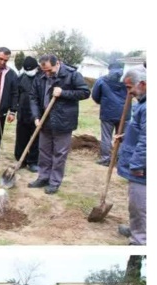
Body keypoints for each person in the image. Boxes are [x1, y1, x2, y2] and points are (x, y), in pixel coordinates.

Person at [27, 54, 91, 194]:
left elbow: (85, 93)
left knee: (59, 153)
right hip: (44, 120)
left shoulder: (72, 75)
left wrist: (64, 93)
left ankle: (54, 181)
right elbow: (33, 97)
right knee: (44, 151)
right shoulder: (41, 76)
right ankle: (43, 177)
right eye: (45, 71)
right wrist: (36, 116)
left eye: (50, 70)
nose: (47, 73)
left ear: (58, 63)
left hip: (63, 121)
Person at [116, 66, 146, 245]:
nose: (129, 93)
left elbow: (148, 140)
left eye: (130, 88)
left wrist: (137, 165)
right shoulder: (143, 103)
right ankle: (137, 229)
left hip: (142, 168)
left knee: (139, 204)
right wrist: (126, 137)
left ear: (142, 84)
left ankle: (139, 241)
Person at [91, 61, 131, 166]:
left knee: (106, 137)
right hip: (125, 112)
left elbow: (95, 95)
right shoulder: (128, 80)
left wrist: (104, 102)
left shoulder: (102, 80)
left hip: (108, 113)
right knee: (122, 137)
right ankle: (119, 159)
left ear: (109, 69)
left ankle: (105, 159)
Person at [15, 57, 41, 172]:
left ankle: (33, 161)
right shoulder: (21, 77)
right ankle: (21, 159)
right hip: (22, 113)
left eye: (31, 69)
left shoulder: (42, 78)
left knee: (36, 139)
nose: (29, 71)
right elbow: (16, 93)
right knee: (21, 138)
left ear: (37, 67)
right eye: (26, 70)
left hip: (37, 114)